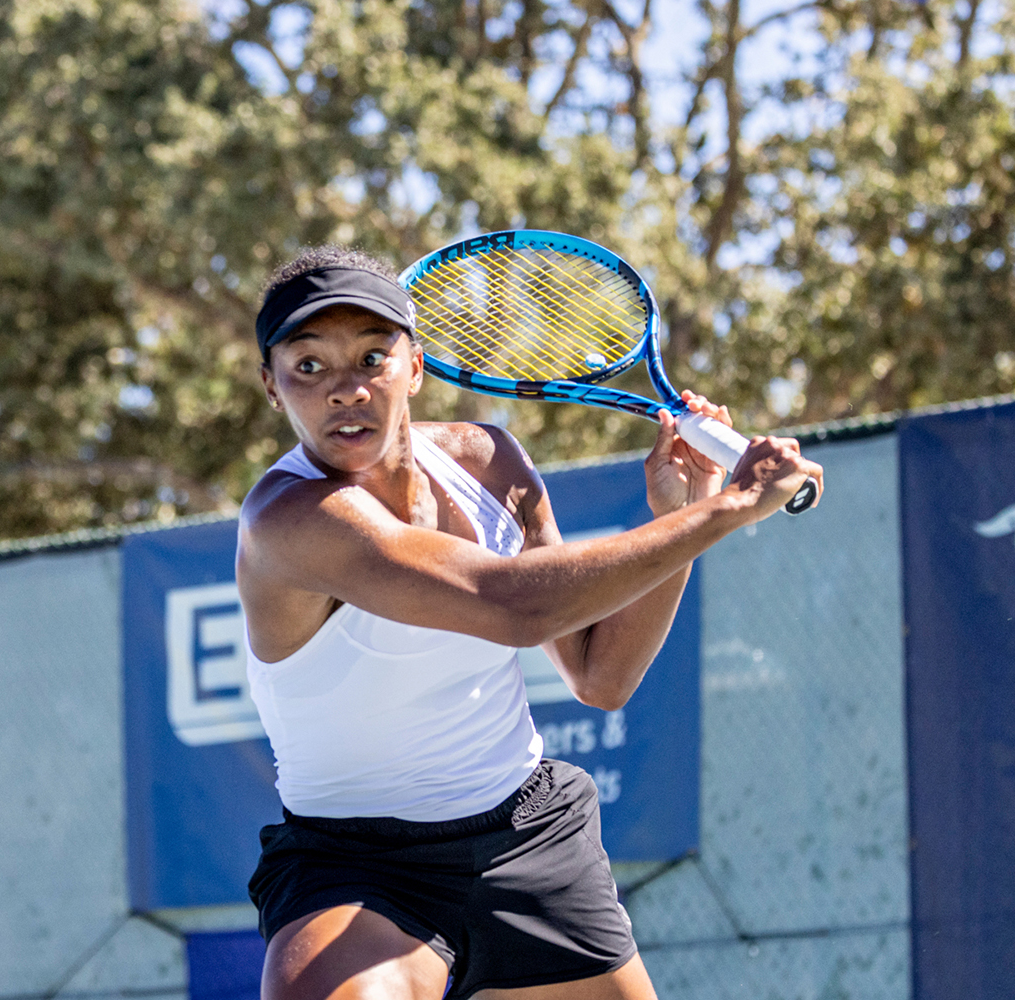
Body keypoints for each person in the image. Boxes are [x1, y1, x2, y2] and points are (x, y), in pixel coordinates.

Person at [235, 246, 823, 1000]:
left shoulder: (489, 462)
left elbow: (600, 674)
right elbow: (513, 605)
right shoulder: (289, 518)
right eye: (308, 366)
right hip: (355, 866)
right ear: (273, 388)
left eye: (372, 358)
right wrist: (732, 508)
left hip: (526, 834)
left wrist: (676, 513)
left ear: (414, 367)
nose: (345, 390)